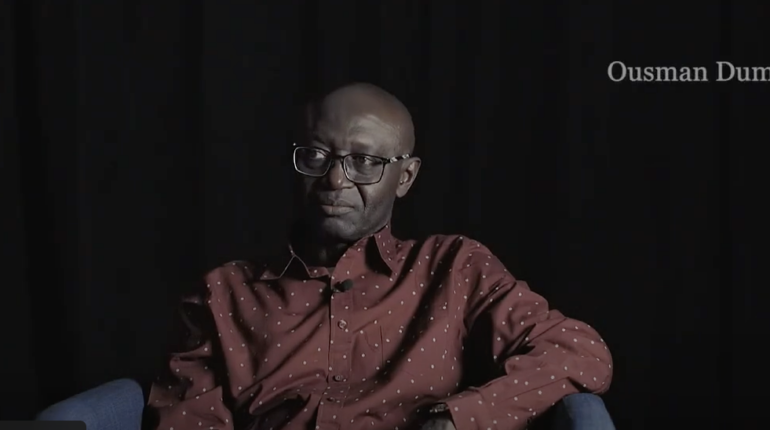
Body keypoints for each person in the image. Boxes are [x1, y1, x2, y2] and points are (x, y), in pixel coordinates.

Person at [146, 83, 613, 430]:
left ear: (405, 178)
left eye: (365, 162)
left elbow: (580, 352)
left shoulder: (455, 268)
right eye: (315, 156)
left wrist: (457, 419)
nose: (335, 180)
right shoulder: (222, 295)